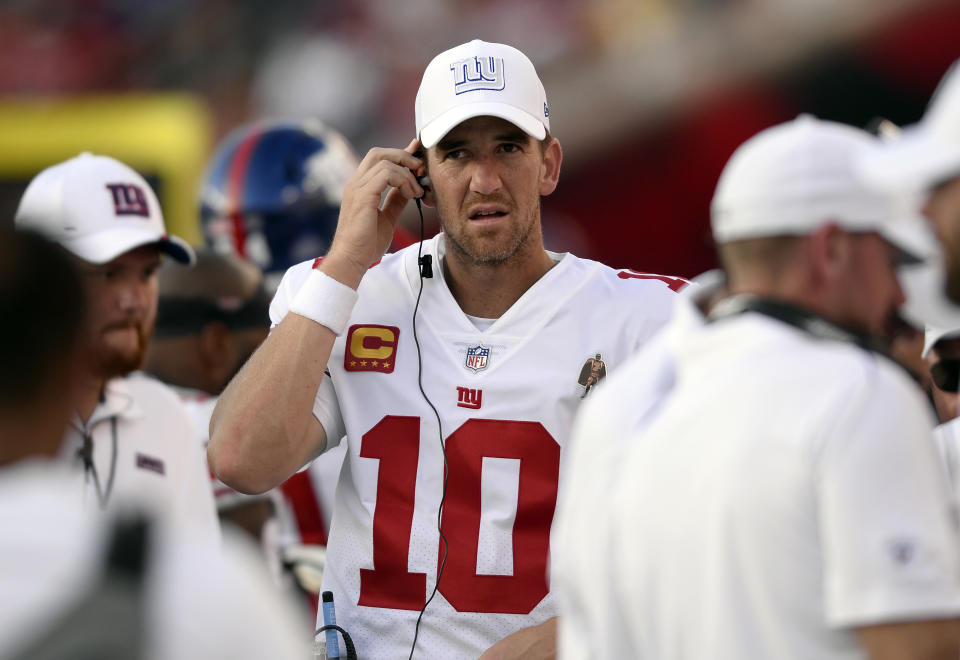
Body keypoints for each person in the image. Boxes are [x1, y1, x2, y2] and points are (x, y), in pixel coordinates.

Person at [209, 39, 685, 659]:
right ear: (420, 172)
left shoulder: (648, 320)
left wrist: (562, 639)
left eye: (508, 148)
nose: (484, 180)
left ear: (549, 163)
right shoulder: (347, 297)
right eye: (456, 153)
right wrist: (348, 260)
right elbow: (242, 459)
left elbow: (712, 533)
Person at [555, 115, 960, 660]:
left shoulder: (615, 414)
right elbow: (917, 650)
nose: (897, 290)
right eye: (891, 259)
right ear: (832, 251)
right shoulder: (859, 392)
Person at [0, 229, 312, 660]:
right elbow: (248, 563)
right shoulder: (194, 584)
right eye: (263, 343)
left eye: (145, 275)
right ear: (73, 368)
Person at [14, 152, 219, 544]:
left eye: (147, 273)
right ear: (43, 279)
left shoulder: (166, 416)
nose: (133, 300)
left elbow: (193, 581)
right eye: (107, 273)